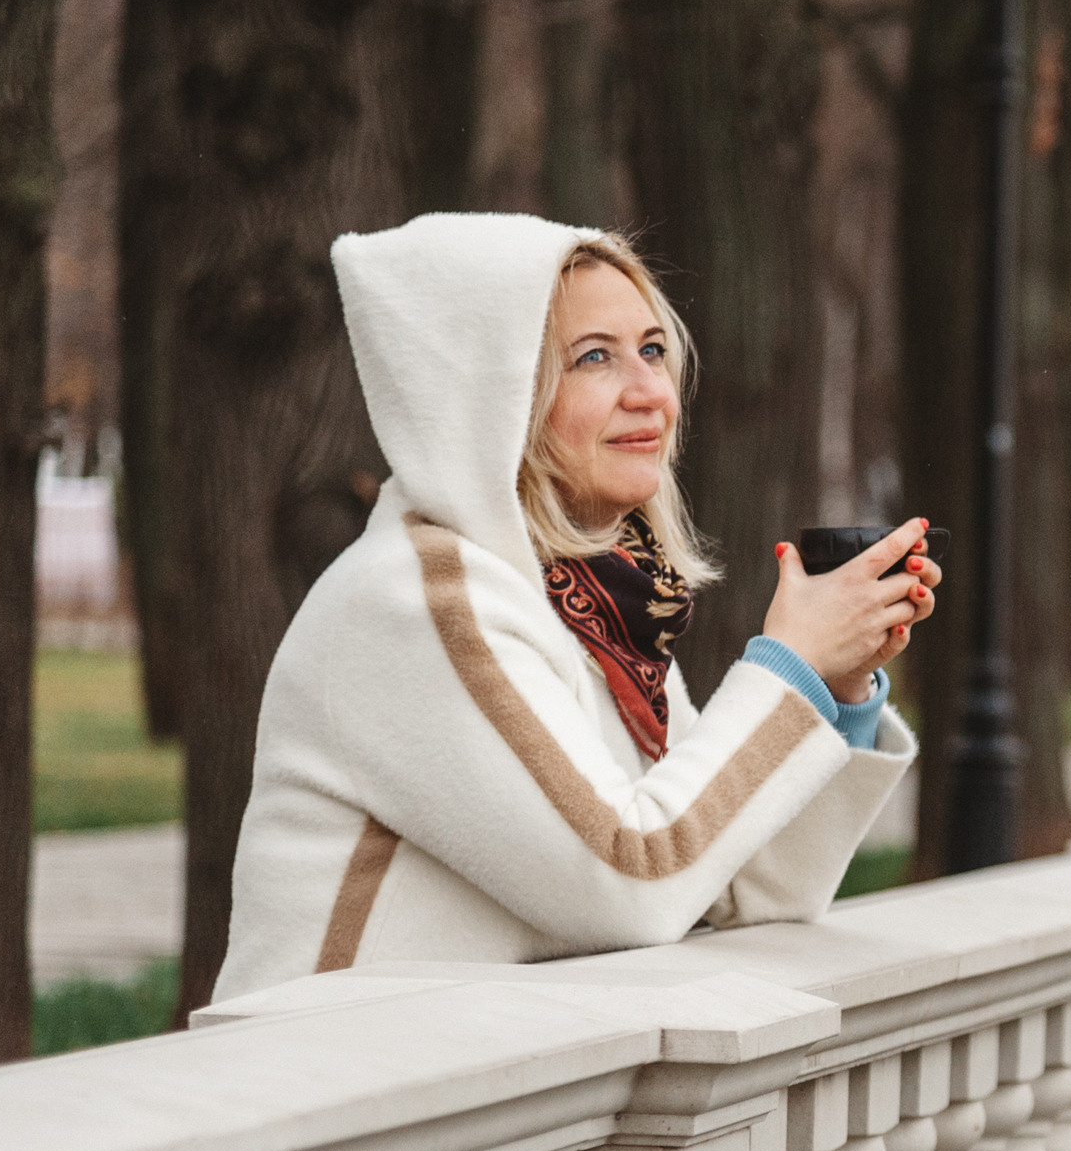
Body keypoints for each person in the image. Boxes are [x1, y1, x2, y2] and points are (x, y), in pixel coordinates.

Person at [213, 213, 939, 1000]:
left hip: (451, 1084)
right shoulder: (421, 601)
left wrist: (837, 684)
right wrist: (788, 668)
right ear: (488, 393)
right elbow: (635, 878)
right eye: (595, 358)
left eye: (654, 350)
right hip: (335, 1095)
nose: (651, 394)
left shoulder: (593, 603)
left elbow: (745, 890)